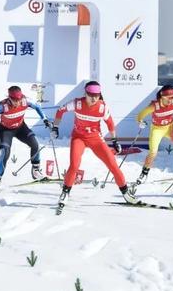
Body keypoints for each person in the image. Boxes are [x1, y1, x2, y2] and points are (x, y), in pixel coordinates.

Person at [51, 81, 137, 212]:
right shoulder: (77, 103)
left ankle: (126, 194)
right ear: (85, 93)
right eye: (90, 95)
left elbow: (110, 124)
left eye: (96, 95)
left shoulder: (102, 107)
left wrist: (114, 141)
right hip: (78, 138)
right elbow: (60, 110)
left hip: (95, 139)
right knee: (74, 165)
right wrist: (55, 127)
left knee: (113, 165)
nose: (93, 98)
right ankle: (65, 193)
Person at [0, 85, 51, 191]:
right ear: (9, 98)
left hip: (21, 128)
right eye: (14, 100)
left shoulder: (25, 101)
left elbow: (37, 107)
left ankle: (36, 171)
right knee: (5, 152)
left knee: (35, 144)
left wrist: (45, 119)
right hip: (6, 130)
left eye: (18, 99)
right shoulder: (3, 106)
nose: (17, 102)